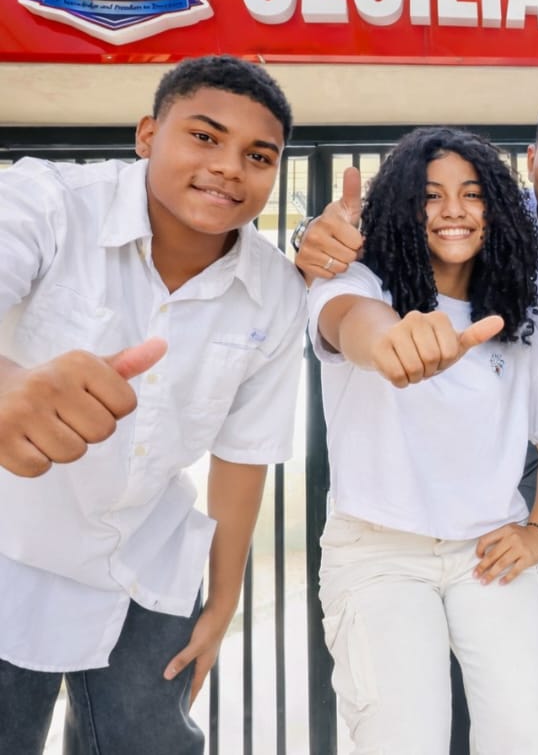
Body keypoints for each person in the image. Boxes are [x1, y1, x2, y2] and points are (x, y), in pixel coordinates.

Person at [295, 90, 538, 751]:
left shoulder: (514, 329)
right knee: (405, 736)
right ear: (400, 207)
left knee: (525, 730)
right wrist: (392, 342)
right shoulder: (358, 286)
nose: (453, 209)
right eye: (430, 195)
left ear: (498, 211)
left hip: (487, 552)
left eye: (473, 193)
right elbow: (352, 326)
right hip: (380, 554)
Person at [0, 55, 305, 754]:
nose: (230, 166)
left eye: (259, 155)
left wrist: (223, 602)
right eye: (204, 136)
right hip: (9, 545)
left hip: (146, 564)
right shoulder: (51, 201)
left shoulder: (276, 291)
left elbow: (244, 454)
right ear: (147, 134)